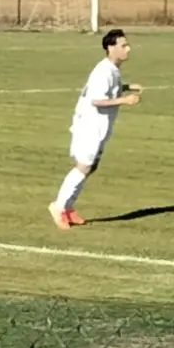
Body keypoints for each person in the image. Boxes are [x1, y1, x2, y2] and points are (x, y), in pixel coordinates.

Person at [49, 29, 141, 229]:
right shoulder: (104, 71)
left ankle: (68, 207)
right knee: (83, 166)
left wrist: (125, 87)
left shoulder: (112, 70)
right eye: (123, 45)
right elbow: (97, 100)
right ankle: (58, 206)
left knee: (90, 167)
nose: (128, 49)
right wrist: (125, 99)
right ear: (111, 48)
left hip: (100, 126)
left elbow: (107, 90)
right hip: (89, 125)